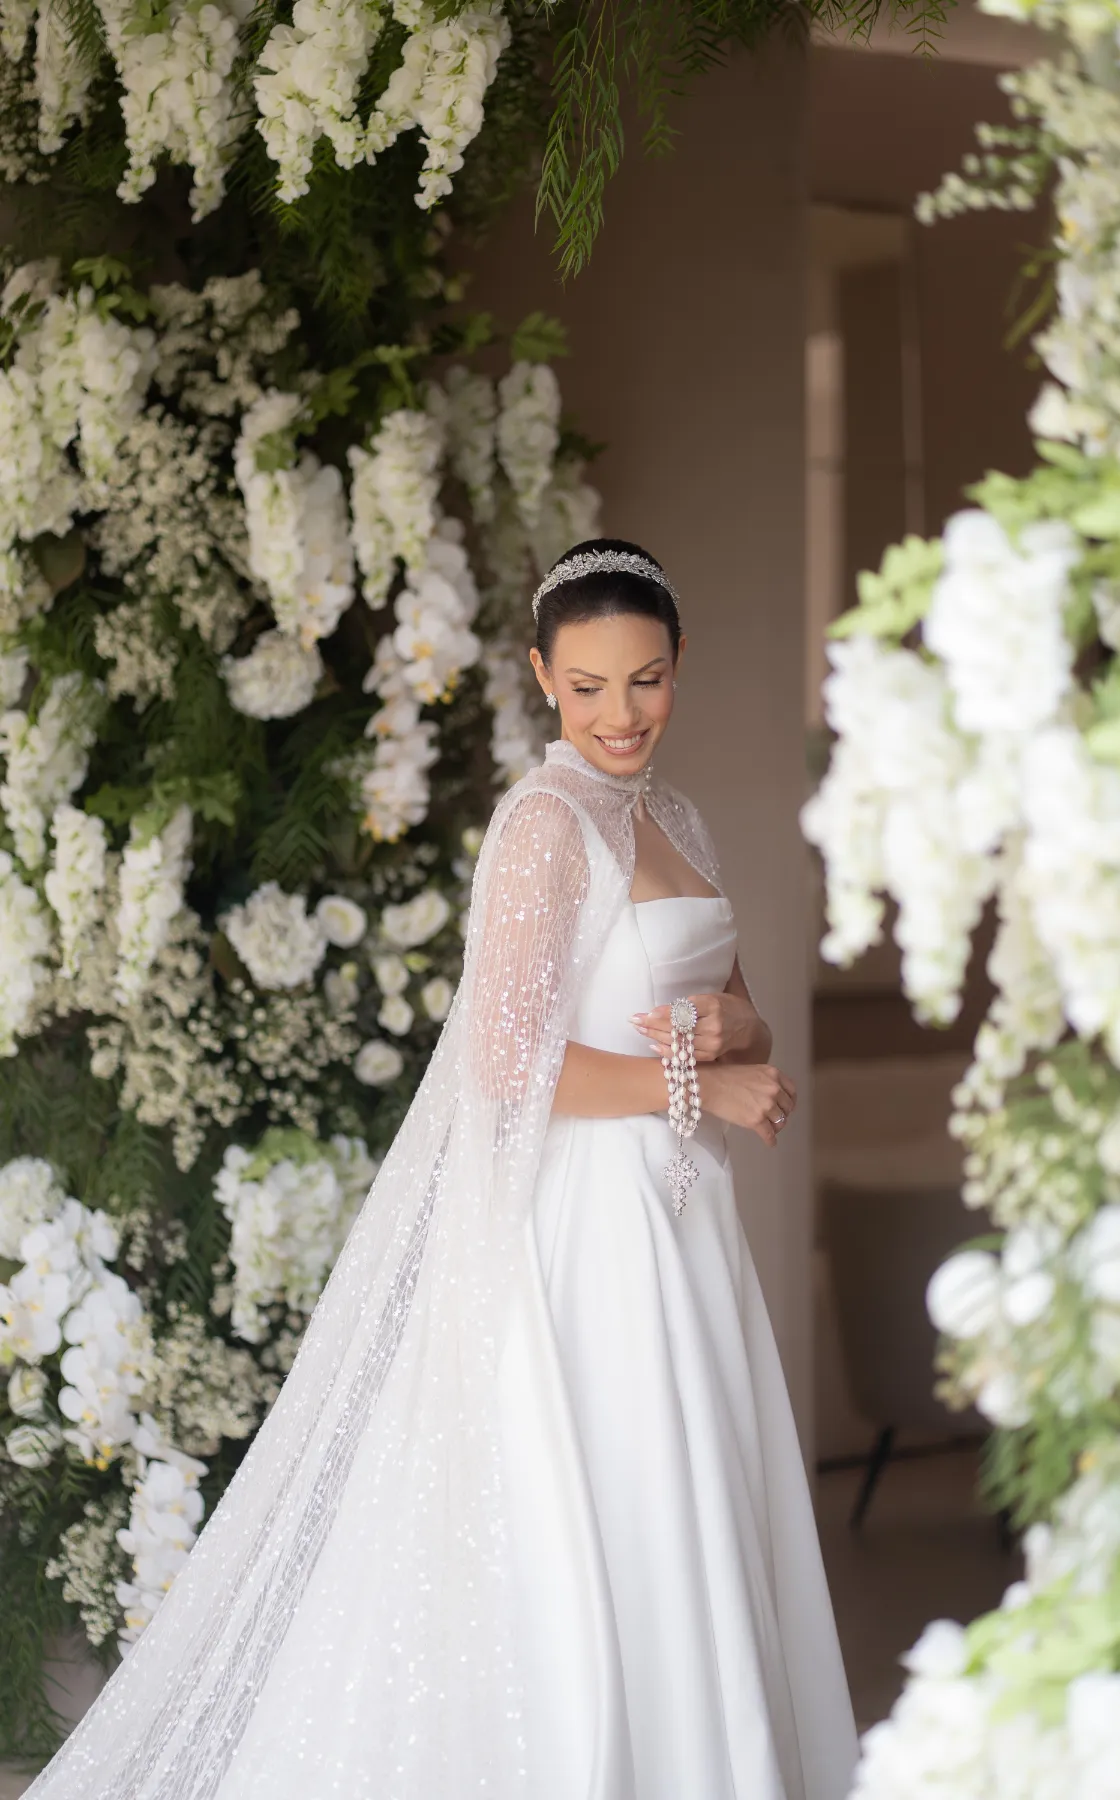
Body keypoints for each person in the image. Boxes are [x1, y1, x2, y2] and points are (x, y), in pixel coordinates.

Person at [25, 540, 858, 1800]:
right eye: (588, 687)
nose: (620, 715)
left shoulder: (676, 817)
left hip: (682, 1222)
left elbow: (741, 1015)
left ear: (679, 664)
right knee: (614, 1508)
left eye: (645, 681)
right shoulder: (543, 825)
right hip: (592, 1229)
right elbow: (505, 1066)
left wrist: (733, 1035)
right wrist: (700, 1087)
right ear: (543, 675)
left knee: (692, 1510)